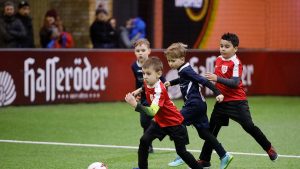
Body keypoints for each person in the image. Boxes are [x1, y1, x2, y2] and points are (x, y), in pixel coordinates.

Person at [199, 32, 278, 168]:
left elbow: (235, 83)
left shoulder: (236, 63)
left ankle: (269, 148)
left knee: (249, 126)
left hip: (237, 102)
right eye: (221, 46)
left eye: (227, 46)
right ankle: (205, 159)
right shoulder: (218, 59)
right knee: (211, 131)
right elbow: (216, 81)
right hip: (222, 102)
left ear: (235, 49)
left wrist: (216, 78)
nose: (223, 49)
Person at [125, 56, 203, 169]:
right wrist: (138, 90)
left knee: (181, 152)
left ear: (158, 74)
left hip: (175, 123)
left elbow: (152, 112)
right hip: (160, 122)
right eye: (143, 73)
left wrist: (135, 105)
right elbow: (144, 86)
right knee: (144, 141)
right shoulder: (148, 83)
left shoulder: (159, 90)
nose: (145, 77)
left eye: (148, 73)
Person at [164, 43, 233, 169]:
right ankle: (224, 155)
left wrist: (217, 92)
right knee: (204, 133)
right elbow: (184, 79)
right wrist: (171, 82)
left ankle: (182, 155)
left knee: (175, 123)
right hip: (199, 105)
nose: (170, 63)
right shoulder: (184, 70)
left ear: (182, 59)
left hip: (193, 105)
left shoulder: (185, 70)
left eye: (173, 61)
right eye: (169, 61)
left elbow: (202, 80)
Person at [131, 39, 165, 153]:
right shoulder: (134, 66)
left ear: (149, 51)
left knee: (160, 120)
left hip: (155, 97)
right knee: (144, 122)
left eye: (143, 50)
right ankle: (148, 145)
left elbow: (163, 80)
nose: (140, 53)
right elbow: (138, 82)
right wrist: (138, 94)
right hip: (144, 98)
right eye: (137, 50)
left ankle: (169, 133)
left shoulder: (153, 65)